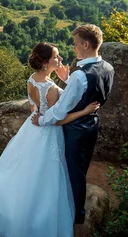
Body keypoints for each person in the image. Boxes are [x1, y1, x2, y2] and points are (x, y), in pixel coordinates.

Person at [0, 42, 100, 237]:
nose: (60, 61)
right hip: (48, 133)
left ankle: (11, 215)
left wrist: (41, 110)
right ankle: (32, 230)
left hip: (31, 129)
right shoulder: (51, 89)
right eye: (56, 58)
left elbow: (33, 107)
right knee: (45, 180)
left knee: (22, 171)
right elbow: (58, 120)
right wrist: (85, 112)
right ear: (44, 63)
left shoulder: (31, 80)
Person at [32, 24, 114, 224]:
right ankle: (75, 207)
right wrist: (67, 80)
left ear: (86, 44)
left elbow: (60, 111)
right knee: (81, 168)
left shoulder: (80, 75)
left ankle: (76, 215)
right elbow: (88, 93)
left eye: (76, 44)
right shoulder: (108, 68)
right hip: (92, 125)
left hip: (75, 130)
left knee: (73, 172)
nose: (74, 48)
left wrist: (41, 120)